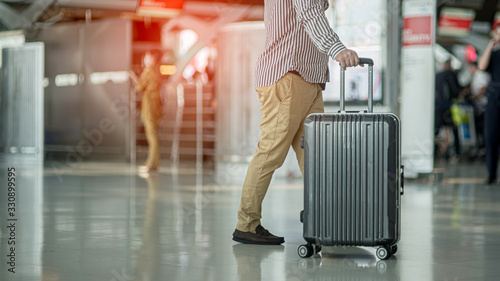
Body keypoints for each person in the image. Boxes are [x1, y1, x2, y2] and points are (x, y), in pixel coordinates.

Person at [232, 0, 360, 245]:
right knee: (270, 152)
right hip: (288, 76)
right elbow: (310, 14)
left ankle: (326, 222)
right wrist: (337, 49)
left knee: (316, 158)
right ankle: (246, 224)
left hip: (308, 79)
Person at [133, 50, 163, 173]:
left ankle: (150, 163)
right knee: (154, 134)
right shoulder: (157, 71)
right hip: (156, 105)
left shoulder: (148, 71)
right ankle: (155, 162)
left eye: (146, 57)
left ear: (151, 58)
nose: (145, 59)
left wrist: (134, 78)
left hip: (149, 105)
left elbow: (138, 87)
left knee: (151, 135)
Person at [478, 26, 500, 184]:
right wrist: (490, 45)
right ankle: (491, 174)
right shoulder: (493, 54)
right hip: (494, 98)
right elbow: (481, 66)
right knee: (490, 136)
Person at [434, 59, 461, 160]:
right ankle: (456, 152)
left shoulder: (438, 76)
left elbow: (436, 91)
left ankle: (435, 151)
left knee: (436, 130)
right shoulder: (453, 75)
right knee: (454, 129)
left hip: (439, 106)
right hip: (449, 106)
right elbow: (456, 90)